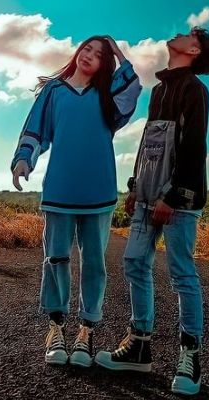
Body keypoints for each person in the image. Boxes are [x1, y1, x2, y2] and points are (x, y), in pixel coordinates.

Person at [95, 27, 209, 396]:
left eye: (186, 35)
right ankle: (139, 344)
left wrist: (174, 196)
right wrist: (135, 186)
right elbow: (149, 140)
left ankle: (190, 356)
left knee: (182, 273)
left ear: (193, 49)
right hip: (148, 196)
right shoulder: (160, 90)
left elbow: (195, 147)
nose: (178, 34)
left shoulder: (195, 89)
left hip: (178, 200)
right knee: (134, 263)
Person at [11, 35, 142, 368]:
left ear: (104, 64)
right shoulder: (54, 91)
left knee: (94, 261)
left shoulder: (106, 95)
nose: (90, 55)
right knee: (55, 258)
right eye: (87, 48)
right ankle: (56, 328)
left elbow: (132, 88)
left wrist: (116, 49)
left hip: (98, 192)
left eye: (99, 55)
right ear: (77, 52)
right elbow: (35, 131)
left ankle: (86, 331)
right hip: (60, 190)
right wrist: (24, 159)